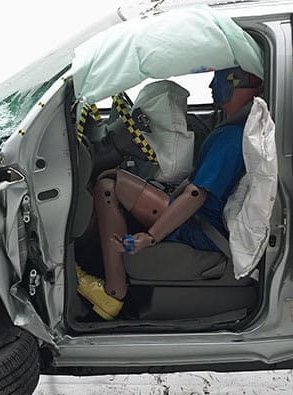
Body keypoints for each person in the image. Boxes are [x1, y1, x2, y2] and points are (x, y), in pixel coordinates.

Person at [78, 67, 263, 320]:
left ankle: (113, 292)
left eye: (218, 79)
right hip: (200, 217)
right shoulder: (235, 129)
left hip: (201, 225)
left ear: (240, 85)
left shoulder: (231, 138)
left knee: (108, 185)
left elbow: (197, 195)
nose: (211, 86)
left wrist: (150, 237)